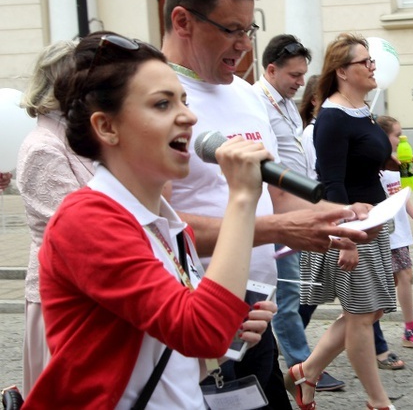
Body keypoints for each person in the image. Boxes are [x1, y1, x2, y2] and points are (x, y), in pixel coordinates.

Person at [160, 0, 373, 409]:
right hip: (185, 318)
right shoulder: (153, 99)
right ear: (183, 21)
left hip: (255, 314)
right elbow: (158, 228)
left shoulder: (246, 94)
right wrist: (282, 230)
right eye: (230, 30)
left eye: (248, 29)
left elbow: (277, 194)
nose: (244, 45)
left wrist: (335, 219)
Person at [23, 31, 276, 407]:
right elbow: (198, 331)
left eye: (184, 101)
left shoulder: (165, 222)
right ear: (107, 127)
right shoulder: (86, 220)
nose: (189, 116)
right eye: (162, 104)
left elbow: (181, 343)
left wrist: (230, 326)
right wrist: (242, 197)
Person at [295, 33, 398, 410]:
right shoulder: (333, 118)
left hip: (375, 222)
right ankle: (378, 401)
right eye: (365, 62)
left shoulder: (361, 110)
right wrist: (347, 238)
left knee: (369, 311)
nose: (374, 67)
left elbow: (362, 163)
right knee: (360, 315)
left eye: (372, 61)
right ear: (342, 71)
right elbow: (331, 181)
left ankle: (306, 372)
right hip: (353, 227)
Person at [252, 34, 345, 392]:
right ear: (271, 69)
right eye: (293, 75)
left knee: (298, 292)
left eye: (303, 74)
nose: (300, 82)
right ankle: (302, 368)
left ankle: (292, 360)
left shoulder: (287, 103)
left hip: (299, 205)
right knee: (290, 295)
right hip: (278, 212)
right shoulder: (257, 102)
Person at [15, 40, 93, 397]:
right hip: (62, 291)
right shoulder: (43, 146)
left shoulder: (74, 136)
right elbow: (73, 225)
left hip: (87, 285)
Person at [376, 115, 413, 349]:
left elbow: (402, 197)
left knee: (395, 281)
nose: (401, 139)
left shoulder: (395, 164)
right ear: (383, 137)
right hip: (386, 234)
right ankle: (410, 329)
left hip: (399, 233)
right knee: (403, 277)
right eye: (397, 135)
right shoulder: (378, 166)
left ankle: (357, 324)